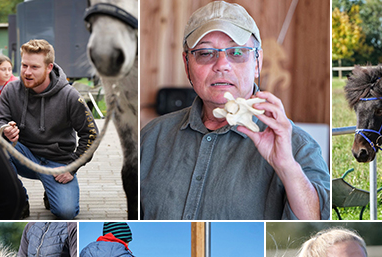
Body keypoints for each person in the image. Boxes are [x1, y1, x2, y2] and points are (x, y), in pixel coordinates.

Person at [139, 1, 329, 220]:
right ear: (187, 64)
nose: (222, 64)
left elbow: (316, 225)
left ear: (258, 62)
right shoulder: (152, 137)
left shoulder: (297, 146)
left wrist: (286, 166)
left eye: (237, 52)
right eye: (205, 53)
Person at [0, 39, 98, 219]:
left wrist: (72, 166)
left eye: (34, 67)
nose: (27, 72)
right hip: (24, 155)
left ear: (49, 67)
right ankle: (19, 199)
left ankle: (52, 193)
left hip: (57, 163)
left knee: (66, 213)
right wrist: (4, 130)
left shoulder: (69, 96)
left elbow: (92, 134)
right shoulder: (11, 89)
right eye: (24, 65)